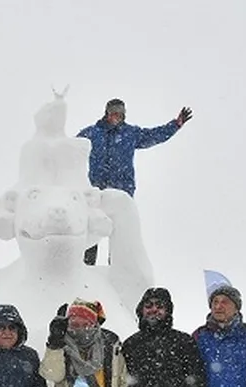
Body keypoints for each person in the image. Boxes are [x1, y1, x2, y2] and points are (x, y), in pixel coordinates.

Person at [77, 99, 193, 265]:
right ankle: (86, 268)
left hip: (122, 192)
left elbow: (154, 135)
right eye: (114, 113)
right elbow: (71, 148)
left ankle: (115, 270)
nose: (117, 116)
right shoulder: (92, 133)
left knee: (118, 233)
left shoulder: (130, 134)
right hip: (96, 191)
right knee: (93, 227)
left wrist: (175, 124)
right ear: (107, 114)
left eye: (120, 113)